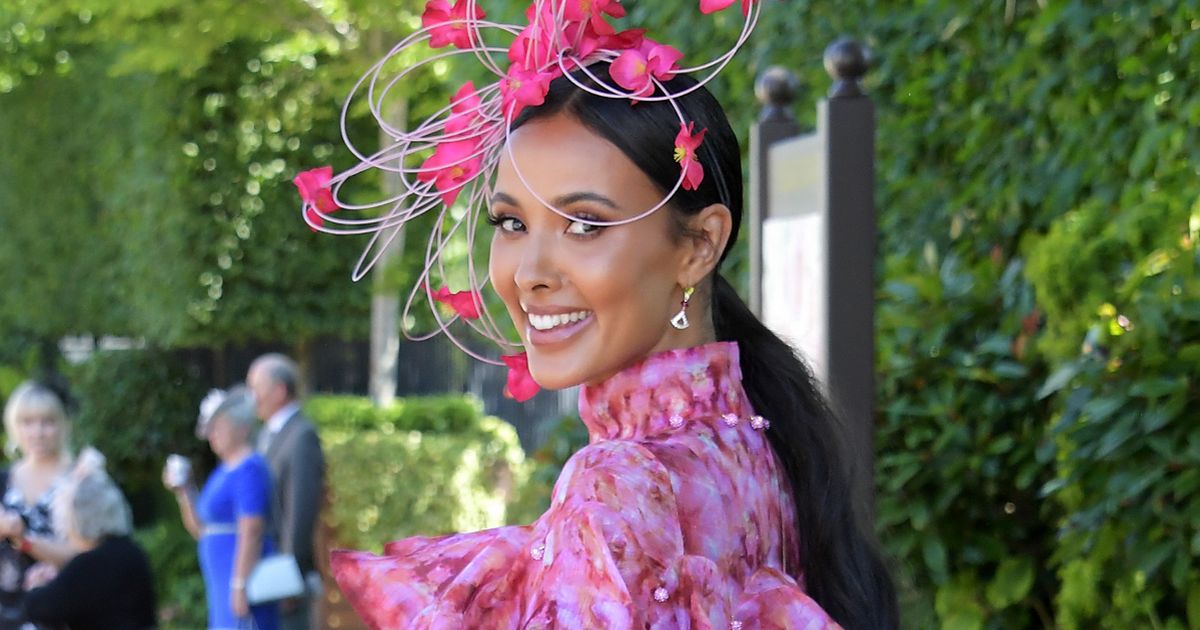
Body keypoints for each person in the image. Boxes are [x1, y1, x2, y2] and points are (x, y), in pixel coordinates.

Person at [309, 2, 898, 628]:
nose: (529, 270)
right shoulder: (755, 444)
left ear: (699, 246)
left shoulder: (618, 483)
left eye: (585, 224)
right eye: (510, 222)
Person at [168, 387, 279, 630]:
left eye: (220, 425)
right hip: (222, 578)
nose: (211, 433)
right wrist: (184, 491)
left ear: (242, 427)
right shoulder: (223, 470)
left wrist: (240, 585)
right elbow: (200, 528)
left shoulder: (249, 467)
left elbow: (252, 530)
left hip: (242, 577)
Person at [246, 354, 323, 630]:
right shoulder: (263, 435)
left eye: (255, 388)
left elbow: (300, 512)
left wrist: (289, 575)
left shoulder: (301, 436)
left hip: (284, 578)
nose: (250, 397)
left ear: (279, 391)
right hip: (260, 570)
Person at [24, 469, 156, 629]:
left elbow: (41, 607)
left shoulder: (89, 564)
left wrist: (35, 586)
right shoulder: (132, 552)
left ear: (78, 520)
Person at [0, 381, 79, 629]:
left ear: (62, 425)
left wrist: (23, 539)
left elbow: (91, 554)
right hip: (9, 612)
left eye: (47, 421)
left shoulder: (81, 478)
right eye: (28, 422)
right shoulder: (3, 480)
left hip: (65, 607)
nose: (38, 432)